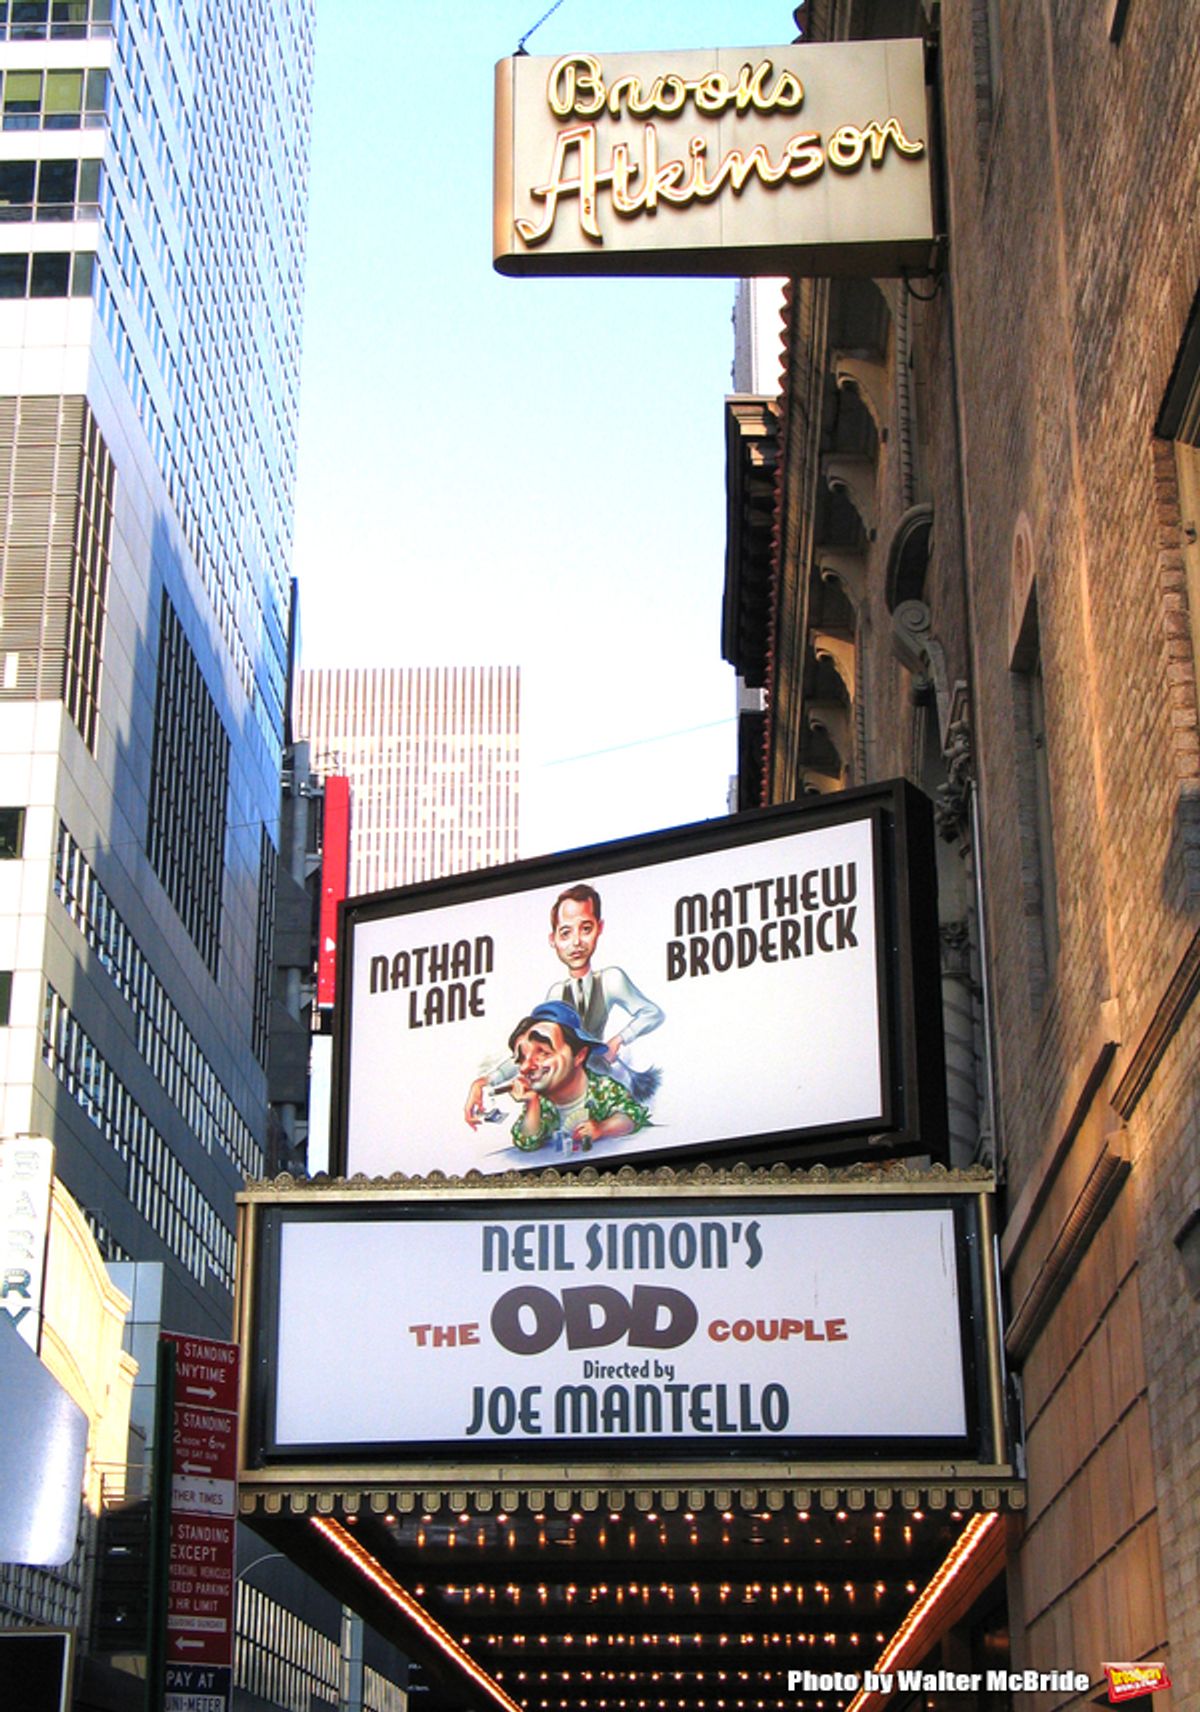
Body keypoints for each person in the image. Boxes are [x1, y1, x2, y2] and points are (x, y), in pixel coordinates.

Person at [464, 882, 664, 1128]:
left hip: (598, 1080)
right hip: (566, 1086)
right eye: (566, 933)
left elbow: (652, 1013)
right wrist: (485, 1081)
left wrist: (619, 1039)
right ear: (553, 939)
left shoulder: (611, 980)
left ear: (599, 928)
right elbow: (529, 1048)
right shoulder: (556, 994)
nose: (577, 942)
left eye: (586, 928)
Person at [506, 1002, 650, 1154]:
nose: (524, 1067)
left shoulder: (603, 1088)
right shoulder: (542, 1101)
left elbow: (631, 1116)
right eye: (521, 1058)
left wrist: (602, 1128)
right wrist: (532, 1102)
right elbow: (526, 1142)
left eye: (543, 1053)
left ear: (579, 1056)